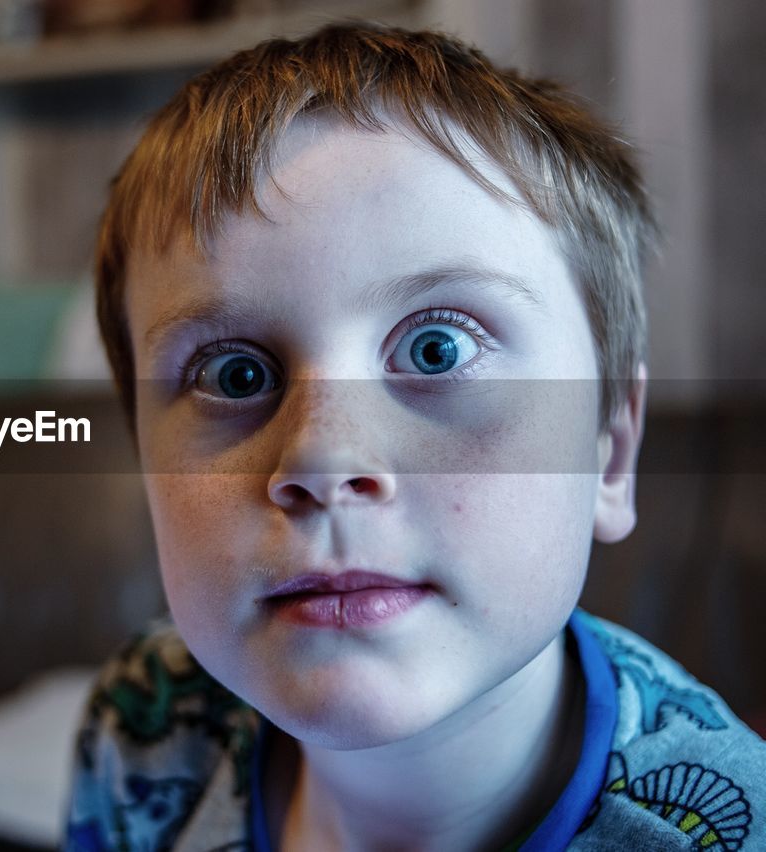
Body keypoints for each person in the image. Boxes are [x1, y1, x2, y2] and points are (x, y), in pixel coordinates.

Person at [63, 20, 766, 852]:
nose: (323, 457)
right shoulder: (139, 729)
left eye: (439, 349)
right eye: (233, 375)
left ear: (609, 453)